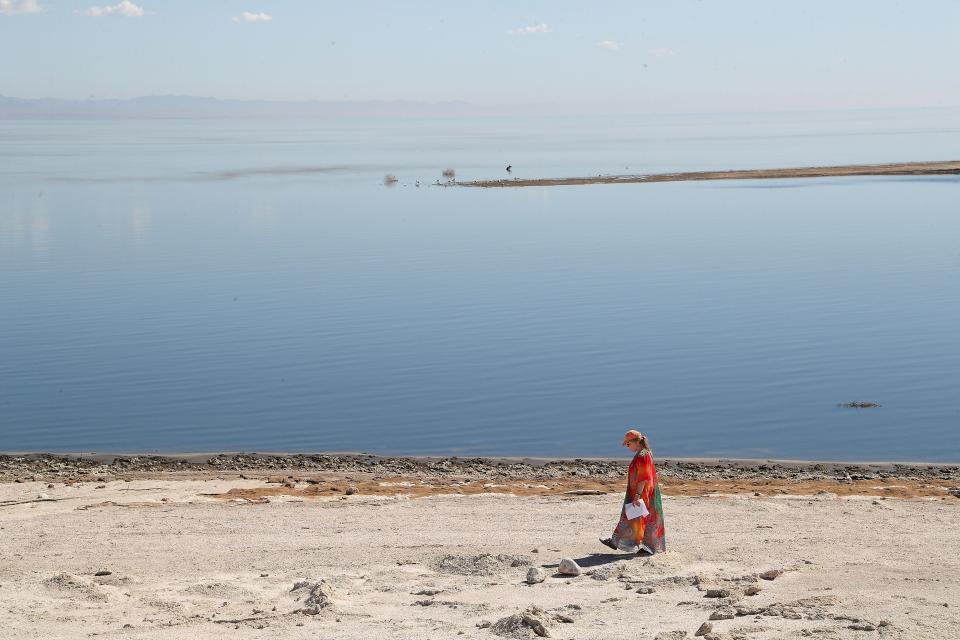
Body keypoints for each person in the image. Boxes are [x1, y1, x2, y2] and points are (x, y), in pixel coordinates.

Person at [600, 429, 666, 555]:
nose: (627, 447)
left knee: (633, 517)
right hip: (644, 492)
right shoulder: (645, 453)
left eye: (628, 444)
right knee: (640, 518)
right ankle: (646, 547)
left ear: (635, 442)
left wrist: (637, 495)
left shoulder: (643, 455)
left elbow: (643, 478)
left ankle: (618, 542)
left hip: (642, 492)